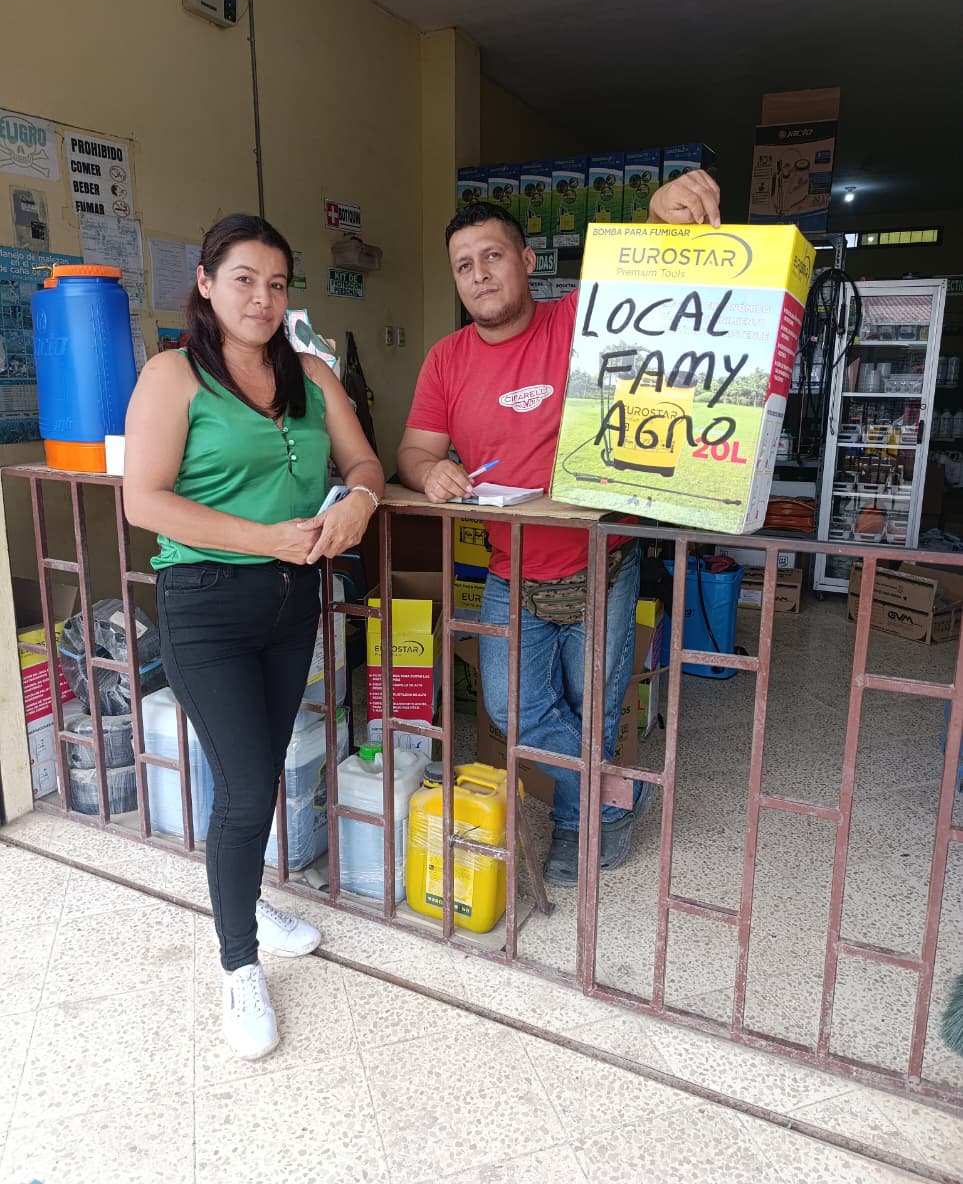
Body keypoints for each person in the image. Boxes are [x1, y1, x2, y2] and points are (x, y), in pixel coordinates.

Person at [397, 174, 720, 886]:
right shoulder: (446, 359)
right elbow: (414, 450)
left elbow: (638, 280)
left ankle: (580, 826)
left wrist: (657, 216)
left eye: (493, 255)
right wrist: (430, 472)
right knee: (511, 708)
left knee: (593, 710)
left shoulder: (579, 319)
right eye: (463, 265)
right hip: (510, 570)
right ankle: (616, 793)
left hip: (603, 561)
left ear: (527, 260)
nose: (479, 274)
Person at [124, 214, 384, 1059]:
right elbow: (144, 500)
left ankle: (248, 901)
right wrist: (266, 538)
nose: (261, 299)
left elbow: (365, 463)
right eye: (243, 280)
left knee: (261, 771)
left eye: (275, 284)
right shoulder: (173, 375)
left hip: (291, 603)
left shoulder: (311, 374)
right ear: (205, 283)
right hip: (205, 605)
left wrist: (360, 501)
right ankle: (238, 963)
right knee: (243, 790)